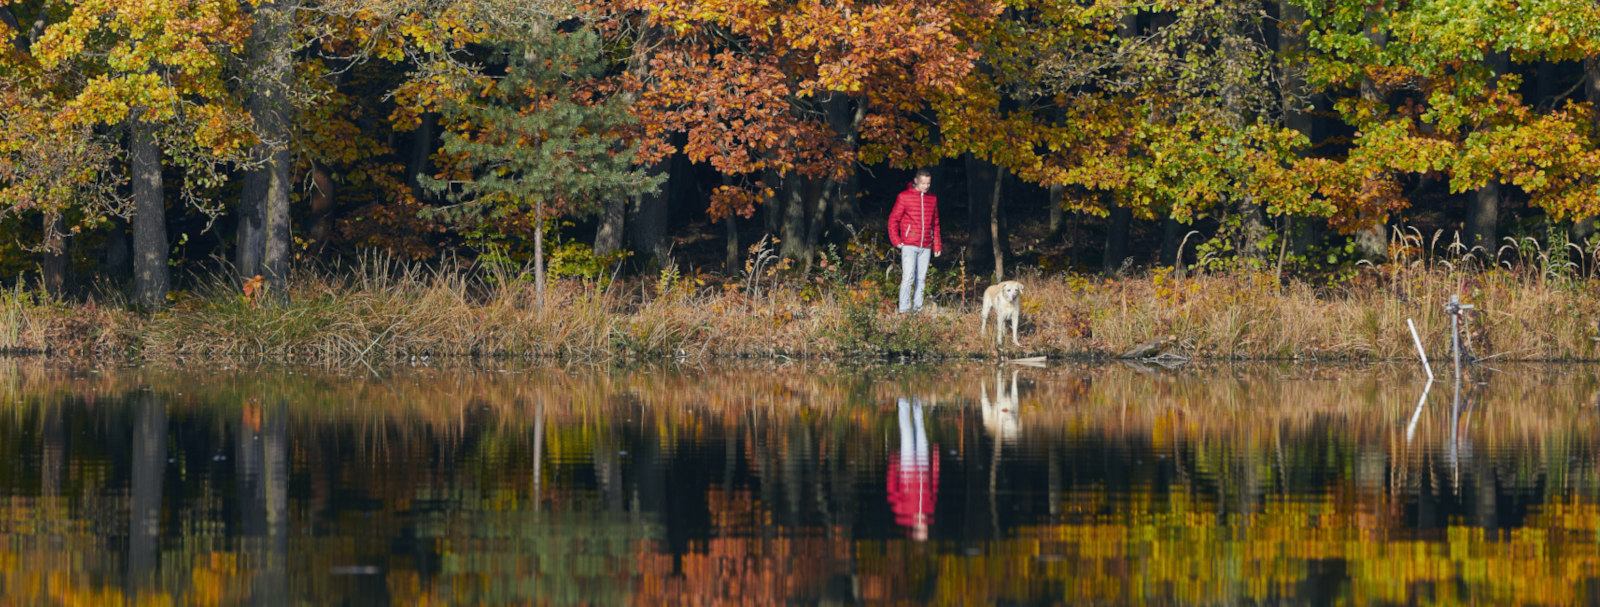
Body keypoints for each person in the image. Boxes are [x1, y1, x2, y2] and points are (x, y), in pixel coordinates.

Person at [886, 168, 942, 313]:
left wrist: (937, 244)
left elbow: (935, 223)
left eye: (928, 183)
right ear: (916, 181)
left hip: (926, 245)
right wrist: (896, 240)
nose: (926, 186)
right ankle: (903, 310)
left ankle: (917, 311)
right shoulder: (904, 197)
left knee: (921, 279)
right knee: (908, 277)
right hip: (909, 244)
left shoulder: (932, 198)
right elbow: (893, 219)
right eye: (923, 183)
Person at [887, 396, 938, 541]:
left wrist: (893, 465)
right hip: (923, 467)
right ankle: (917, 397)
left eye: (922, 529)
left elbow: (892, 489)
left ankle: (903, 400)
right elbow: (934, 485)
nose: (924, 525)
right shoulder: (930, 509)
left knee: (907, 431)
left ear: (916, 529)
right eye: (925, 529)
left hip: (907, 468)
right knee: (920, 426)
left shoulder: (901, 512)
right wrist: (935, 462)